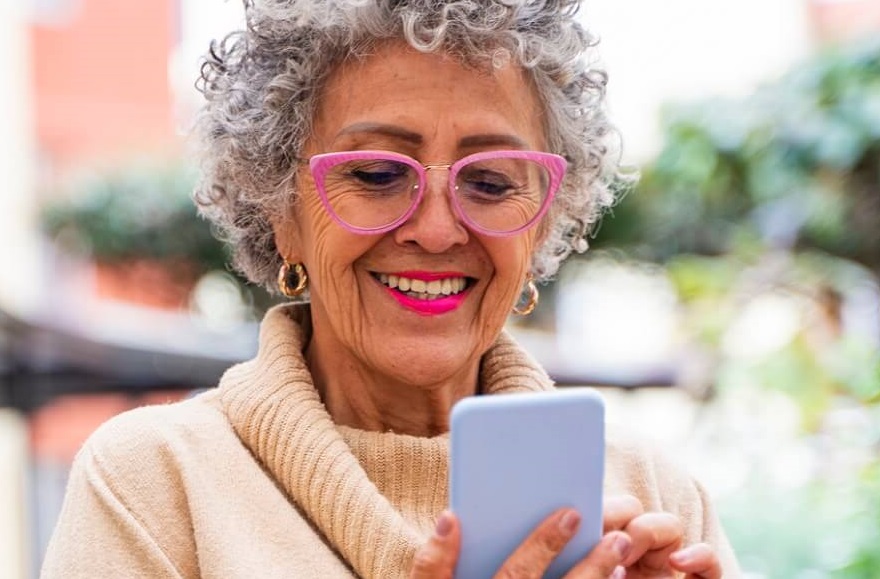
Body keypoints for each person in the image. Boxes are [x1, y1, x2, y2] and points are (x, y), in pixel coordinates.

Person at [42, 0, 740, 577]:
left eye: (490, 181)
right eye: (377, 174)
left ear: (540, 226)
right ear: (281, 209)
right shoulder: (155, 483)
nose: (436, 231)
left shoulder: (652, 494)